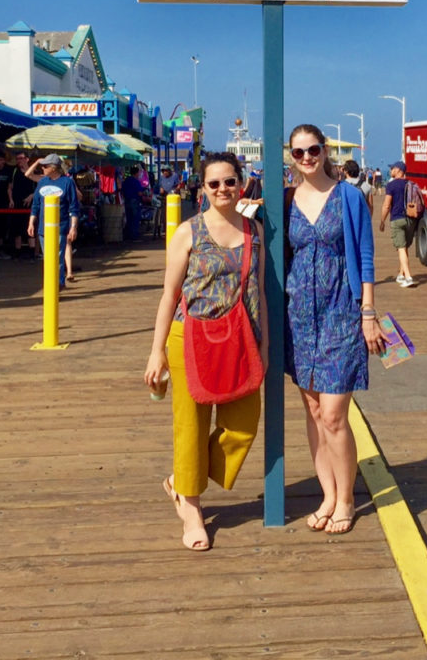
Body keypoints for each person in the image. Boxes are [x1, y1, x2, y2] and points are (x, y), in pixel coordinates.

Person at [144, 151, 268, 552]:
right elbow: (169, 294)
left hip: (240, 339)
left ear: (242, 182)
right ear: (203, 188)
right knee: (190, 425)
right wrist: (156, 351)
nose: (222, 190)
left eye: (229, 181)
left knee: (244, 424)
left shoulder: (254, 232)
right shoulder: (188, 232)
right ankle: (191, 506)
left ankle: (183, 478)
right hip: (189, 337)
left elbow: (260, 291)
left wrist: (263, 343)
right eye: (214, 184)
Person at [285, 124, 384, 536]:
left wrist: (368, 311)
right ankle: (327, 495)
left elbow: (365, 253)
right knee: (311, 411)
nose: (306, 157)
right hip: (298, 317)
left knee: (334, 414)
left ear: (325, 151)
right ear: (290, 156)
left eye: (313, 150)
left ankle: (347, 499)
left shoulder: (348, 196)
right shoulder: (286, 199)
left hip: (341, 312)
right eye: (298, 152)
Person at [27, 154, 80, 290]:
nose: (42, 168)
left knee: (58, 256)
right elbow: (36, 205)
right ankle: (53, 283)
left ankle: (58, 283)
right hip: (43, 227)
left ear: (53, 168)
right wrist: (31, 222)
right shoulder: (42, 182)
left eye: (45, 166)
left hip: (61, 226)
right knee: (48, 258)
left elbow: (74, 207)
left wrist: (73, 227)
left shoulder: (67, 182)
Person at [379, 160, 416, 287]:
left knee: (400, 248)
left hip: (397, 219)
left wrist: (382, 221)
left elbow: (386, 205)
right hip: (411, 219)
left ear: (399, 170)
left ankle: (408, 277)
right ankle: (401, 274)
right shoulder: (410, 184)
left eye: (392, 168)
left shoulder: (392, 185)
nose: (390, 170)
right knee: (404, 247)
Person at [9, 152, 37, 259]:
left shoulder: (34, 172)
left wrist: (32, 196)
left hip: (30, 205)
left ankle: (32, 253)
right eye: (17, 159)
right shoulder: (15, 171)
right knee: (17, 230)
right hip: (17, 203)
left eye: (21, 158)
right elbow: (10, 187)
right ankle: (18, 253)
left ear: (27, 159)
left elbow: (40, 187)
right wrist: (11, 199)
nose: (19, 160)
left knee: (30, 229)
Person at [121, 165, 143, 240]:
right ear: (136, 173)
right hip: (134, 201)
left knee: (129, 218)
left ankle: (129, 235)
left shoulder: (126, 180)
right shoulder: (136, 181)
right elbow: (140, 193)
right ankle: (134, 236)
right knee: (135, 218)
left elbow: (122, 191)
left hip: (126, 201)